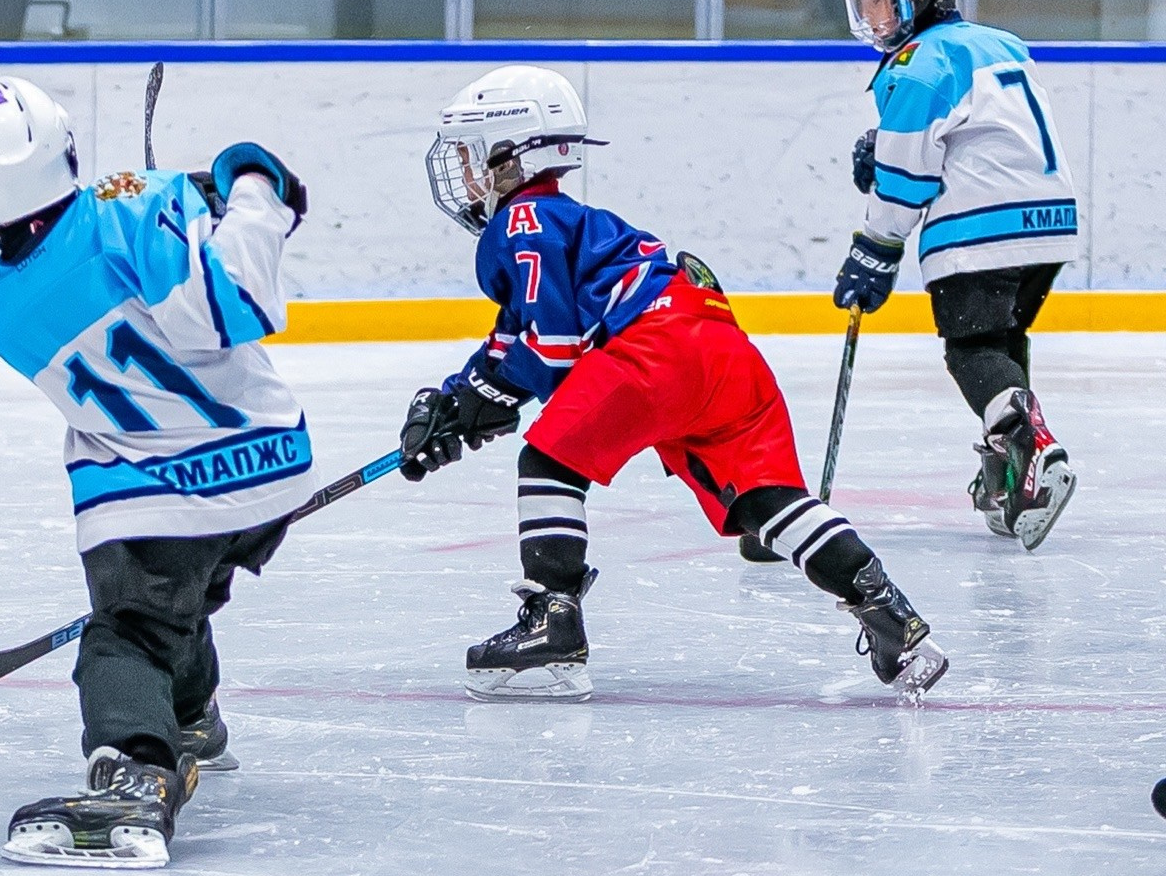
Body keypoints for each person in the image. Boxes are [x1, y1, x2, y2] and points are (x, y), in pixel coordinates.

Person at [398, 65, 948, 702]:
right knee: (764, 502)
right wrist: (459, 396)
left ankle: (552, 621)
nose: (465, 176)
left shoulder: (520, 223)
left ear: (511, 153)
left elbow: (548, 347)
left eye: (473, 157)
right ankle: (891, 616)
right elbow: (515, 337)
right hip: (719, 344)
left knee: (548, 461)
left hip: (654, 347)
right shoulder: (571, 222)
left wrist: (483, 402)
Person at [0, 75, 316, 867]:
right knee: (178, 599)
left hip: (158, 500)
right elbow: (229, 305)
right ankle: (194, 715)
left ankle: (139, 773)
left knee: (127, 637)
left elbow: (213, 309)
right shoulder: (139, 205)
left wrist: (176, 210)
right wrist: (251, 187)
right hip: (268, 465)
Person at [834, 0, 1079, 549]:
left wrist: (873, 250)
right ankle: (1005, 473)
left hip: (978, 227)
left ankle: (1029, 443)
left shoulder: (918, 63)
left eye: (881, 3)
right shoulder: (999, 42)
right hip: (1048, 221)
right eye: (862, 3)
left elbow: (906, 180)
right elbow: (980, 131)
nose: (871, 17)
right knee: (1001, 339)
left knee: (969, 348)